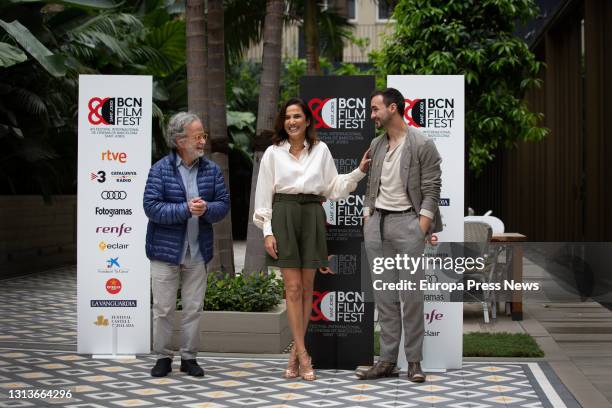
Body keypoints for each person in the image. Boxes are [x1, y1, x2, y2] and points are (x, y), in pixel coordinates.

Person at [253, 98, 371, 381]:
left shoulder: (321, 150)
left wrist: (359, 171)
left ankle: (295, 351)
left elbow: (334, 188)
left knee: (307, 288)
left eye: (297, 116)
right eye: (287, 117)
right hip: (283, 214)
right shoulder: (272, 153)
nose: (292, 121)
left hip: (312, 216)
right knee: (292, 289)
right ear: (283, 122)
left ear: (307, 121)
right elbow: (263, 196)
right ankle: (304, 354)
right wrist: (267, 230)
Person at [357, 88, 442, 382]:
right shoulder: (377, 144)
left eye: (375, 109)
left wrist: (421, 226)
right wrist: (368, 214)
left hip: (409, 226)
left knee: (412, 296)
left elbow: (432, 188)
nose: (372, 115)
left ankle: (415, 362)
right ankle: (387, 361)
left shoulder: (422, 143)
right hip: (377, 226)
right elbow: (371, 186)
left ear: (392, 108)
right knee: (385, 298)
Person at [143, 112, 230, 377]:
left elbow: (223, 205)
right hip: (165, 251)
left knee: (193, 308)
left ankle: (189, 358)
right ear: (180, 140)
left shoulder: (211, 170)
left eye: (203, 135)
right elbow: (151, 207)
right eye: (197, 136)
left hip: (197, 251)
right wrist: (184, 209)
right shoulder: (160, 169)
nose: (202, 141)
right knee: (163, 308)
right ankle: (162, 357)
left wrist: (206, 210)